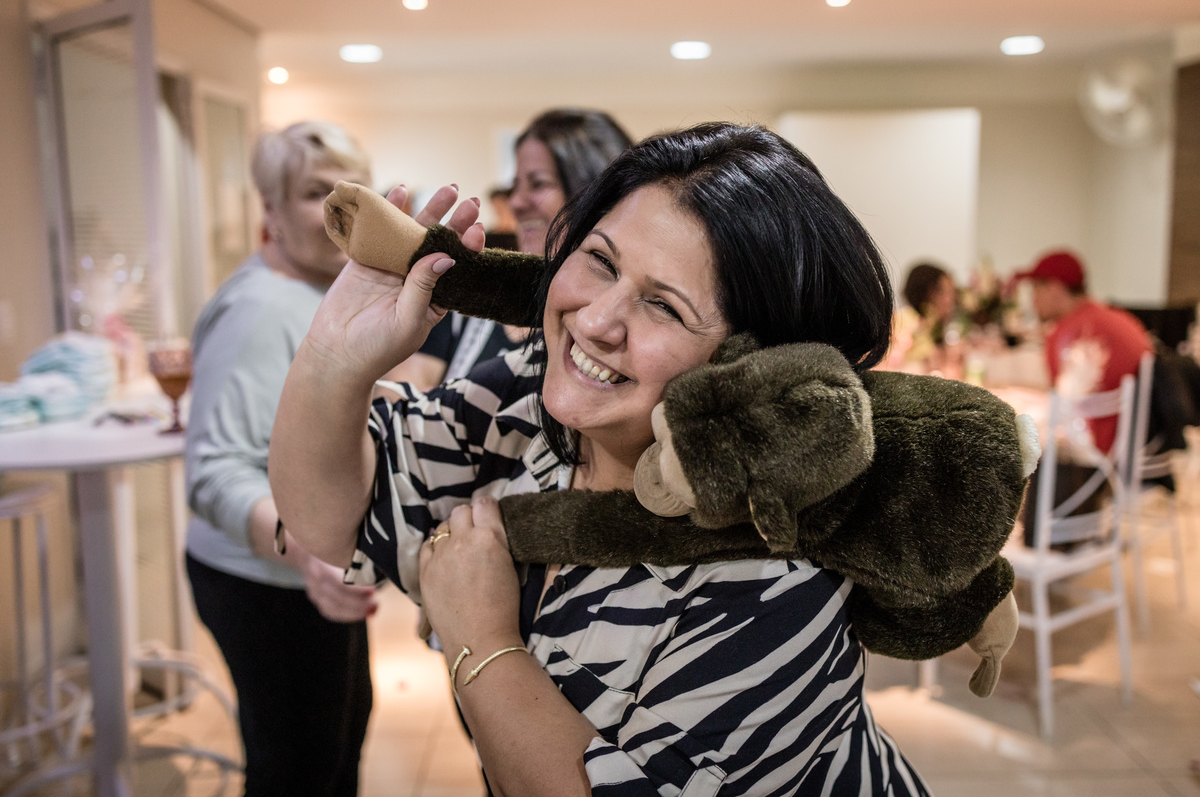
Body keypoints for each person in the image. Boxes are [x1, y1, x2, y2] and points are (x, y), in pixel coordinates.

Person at [269, 123, 930, 795]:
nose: (594, 322)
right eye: (601, 261)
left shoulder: (776, 573)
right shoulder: (535, 392)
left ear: (750, 367)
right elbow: (332, 517)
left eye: (662, 307)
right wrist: (336, 353)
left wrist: (480, 638)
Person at [185, 120, 377, 796]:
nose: (338, 210)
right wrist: (307, 552)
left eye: (353, 192)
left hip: (308, 573)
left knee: (335, 743)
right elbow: (212, 474)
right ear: (269, 207)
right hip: (265, 582)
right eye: (313, 192)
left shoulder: (311, 292)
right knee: (300, 767)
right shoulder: (262, 309)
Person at [396, 108, 633, 390]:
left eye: (539, 184)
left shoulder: (610, 323)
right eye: (515, 186)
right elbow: (401, 400)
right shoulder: (469, 295)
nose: (516, 203)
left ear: (594, 192)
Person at [1018, 249, 1151, 452]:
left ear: (1055, 288)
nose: (1032, 301)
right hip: (1137, 442)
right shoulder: (1119, 319)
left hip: (1094, 452)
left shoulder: (1067, 333)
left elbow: (1063, 407)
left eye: (1035, 290)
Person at [886, 260, 960, 374]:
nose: (951, 299)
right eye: (945, 292)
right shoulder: (905, 322)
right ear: (928, 294)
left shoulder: (937, 327)